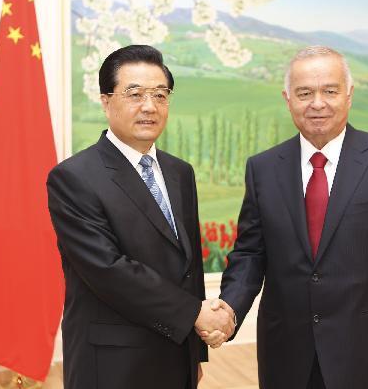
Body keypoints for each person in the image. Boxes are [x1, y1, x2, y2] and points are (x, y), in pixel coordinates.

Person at [204, 46, 368, 389]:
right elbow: (250, 254)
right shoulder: (263, 168)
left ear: (349, 95)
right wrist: (230, 310)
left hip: (364, 351)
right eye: (305, 93)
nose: (317, 103)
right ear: (288, 99)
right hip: (285, 352)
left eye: (330, 91)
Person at [47, 45, 234, 389]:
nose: (150, 106)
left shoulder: (181, 172)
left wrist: (195, 356)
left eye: (160, 95)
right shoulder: (74, 177)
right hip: (113, 362)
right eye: (135, 94)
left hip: (176, 353)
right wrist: (194, 315)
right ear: (106, 100)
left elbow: (187, 268)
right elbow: (109, 270)